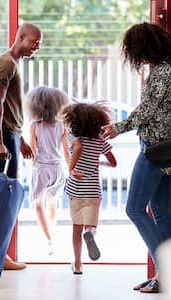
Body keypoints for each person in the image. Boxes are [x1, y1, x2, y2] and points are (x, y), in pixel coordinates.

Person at [102, 22, 171, 293]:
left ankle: (164, 271)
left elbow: (148, 110)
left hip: (154, 150)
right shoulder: (163, 70)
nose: (132, 55)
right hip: (165, 149)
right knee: (163, 214)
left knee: (134, 209)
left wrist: (117, 128)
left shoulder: (163, 72)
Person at [0, 23, 42, 270]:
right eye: (34, 42)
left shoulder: (15, 64)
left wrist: (22, 140)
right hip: (2, 137)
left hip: (10, 135)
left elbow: (11, 108)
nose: (36, 48)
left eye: (39, 44)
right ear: (21, 37)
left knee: (8, 197)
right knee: (3, 199)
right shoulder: (5, 63)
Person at [62, 101, 117, 274]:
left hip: (75, 190)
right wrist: (98, 162)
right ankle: (91, 235)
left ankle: (77, 265)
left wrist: (71, 169)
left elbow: (77, 146)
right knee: (90, 226)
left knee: (76, 228)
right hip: (93, 190)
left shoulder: (72, 136)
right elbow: (113, 163)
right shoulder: (100, 140)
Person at [25, 86, 69, 255]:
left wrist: (32, 167)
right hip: (58, 168)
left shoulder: (35, 126)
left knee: (37, 205)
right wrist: (70, 168)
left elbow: (33, 150)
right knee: (53, 205)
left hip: (41, 168)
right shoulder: (62, 126)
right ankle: (54, 238)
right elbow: (66, 151)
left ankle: (48, 240)